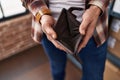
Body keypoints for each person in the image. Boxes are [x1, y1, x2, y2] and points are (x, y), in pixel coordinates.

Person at [21, 0, 109, 80]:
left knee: (94, 76)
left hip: (93, 29)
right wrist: (42, 14)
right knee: (57, 68)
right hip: (49, 29)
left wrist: (96, 8)